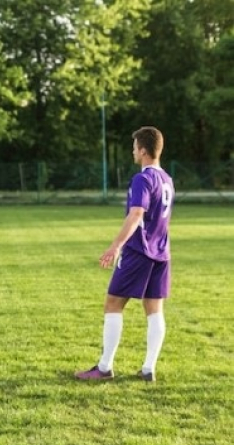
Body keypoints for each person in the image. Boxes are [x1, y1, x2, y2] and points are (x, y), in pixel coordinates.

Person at [76, 126, 174, 382]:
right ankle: (148, 369)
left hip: (139, 251)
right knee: (154, 309)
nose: (133, 152)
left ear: (143, 151)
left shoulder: (143, 179)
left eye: (134, 148)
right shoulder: (167, 179)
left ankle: (104, 368)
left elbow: (137, 213)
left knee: (113, 304)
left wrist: (116, 245)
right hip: (161, 252)